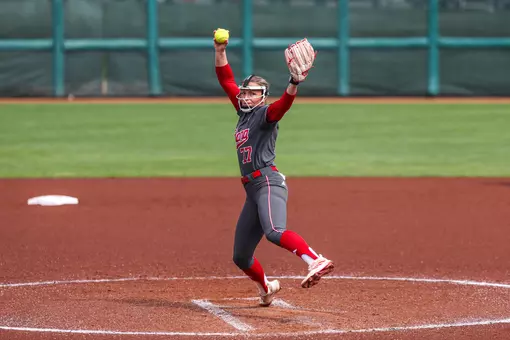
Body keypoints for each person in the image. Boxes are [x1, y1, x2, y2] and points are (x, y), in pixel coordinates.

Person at [214, 30, 334, 307]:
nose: (246, 96)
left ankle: (315, 260)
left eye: (253, 93)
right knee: (241, 256)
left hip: (268, 181)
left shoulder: (265, 114)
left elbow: (283, 106)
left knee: (274, 232)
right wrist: (220, 51)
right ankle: (266, 287)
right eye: (245, 92)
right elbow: (226, 79)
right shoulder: (244, 113)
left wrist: (294, 82)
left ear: (262, 97)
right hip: (251, 190)